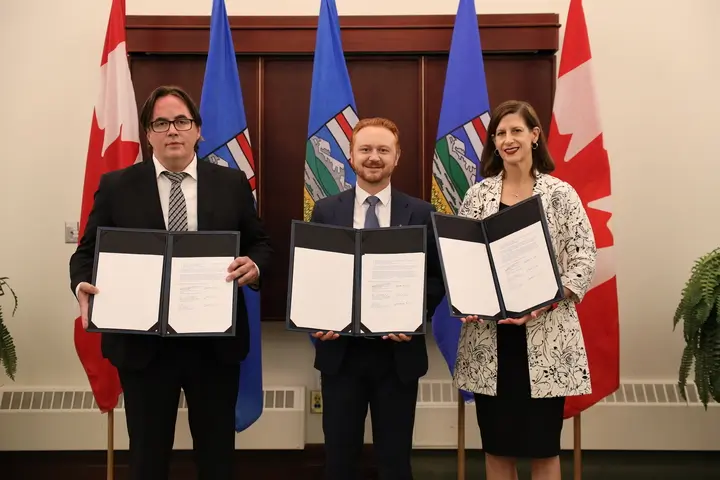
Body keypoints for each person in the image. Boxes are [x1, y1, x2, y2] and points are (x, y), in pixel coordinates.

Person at [69, 85, 273, 480]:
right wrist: (82, 285)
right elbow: (86, 253)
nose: (172, 131)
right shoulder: (117, 186)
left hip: (214, 345)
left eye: (181, 121)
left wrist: (256, 266)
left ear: (197, 130)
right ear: (148, 134)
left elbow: (260, 243)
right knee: (147, 456)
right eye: (161, 123)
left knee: (216, 456)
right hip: (145, 347)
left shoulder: (231, 184)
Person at [454, 100, 597, 480]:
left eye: (516, 130)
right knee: (497, 449)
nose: (507, 139)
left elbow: (583, 259)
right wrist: (466, 297)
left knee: (543, 450)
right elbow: (464, 260)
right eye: (500, 133)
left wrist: (542, 303)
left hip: (545, 338)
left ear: (535, 136)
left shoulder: (561, 194)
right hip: (489, 339)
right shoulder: (477, 196)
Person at [309, 117, 445, 480]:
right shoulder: (326, 211)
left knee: (395, 461)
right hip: (341, 356)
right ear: (351, 156)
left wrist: (414, 315)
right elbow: (313, 277)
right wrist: (316, 318)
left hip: (397, 357)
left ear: (396, 157)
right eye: (365, 149)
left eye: (383, 150)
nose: (373, 157)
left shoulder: (421, 213)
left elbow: (437, 280)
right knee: (338, 460)